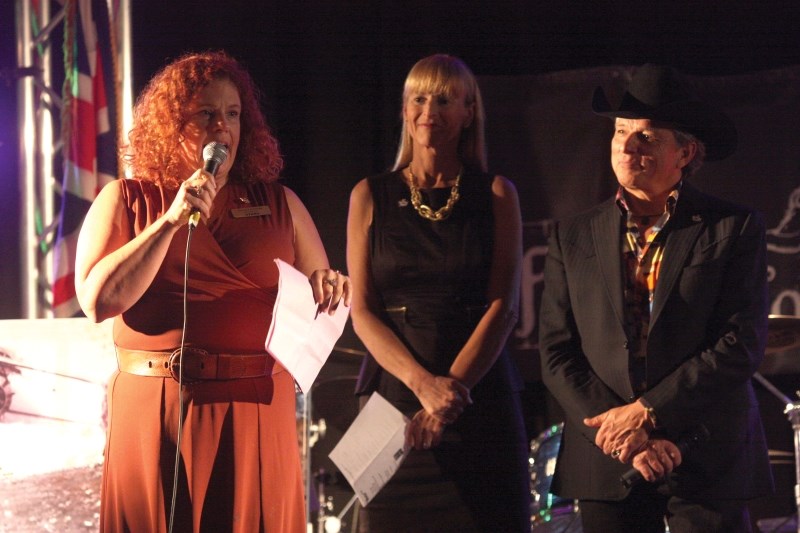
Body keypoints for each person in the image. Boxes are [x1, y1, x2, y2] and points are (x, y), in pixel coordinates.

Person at [74, 50, 350, 532]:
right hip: (158, 412)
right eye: (205, 114)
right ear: (172, 124)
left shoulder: (280, 204)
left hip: (254, 415)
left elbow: (319, 289)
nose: (222, 128)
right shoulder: (126, 200)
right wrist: (170, 221)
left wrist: (328, 285)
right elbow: (97, 300)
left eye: (233, 114)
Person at [538, 63, 773, 533]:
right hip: (608, 458)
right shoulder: (572, 236)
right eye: (621, 132)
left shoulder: (732, 227)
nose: (627, 146)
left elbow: (739, 343)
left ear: (684, 152)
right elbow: (558, 352)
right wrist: (625, 437)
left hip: (704, 457)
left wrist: (650, 414)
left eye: (646, 136)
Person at [346, 54, 530, 533]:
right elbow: (362, 309)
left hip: (478, 402)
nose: (430, 110)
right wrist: (423, 387)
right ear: (405, 111)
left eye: (445, 99)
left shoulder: (497, 194)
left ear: (469, 111)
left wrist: (451, 390)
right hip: (392, 403)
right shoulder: (369, 194)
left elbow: (503, 308)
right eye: (419, 98)